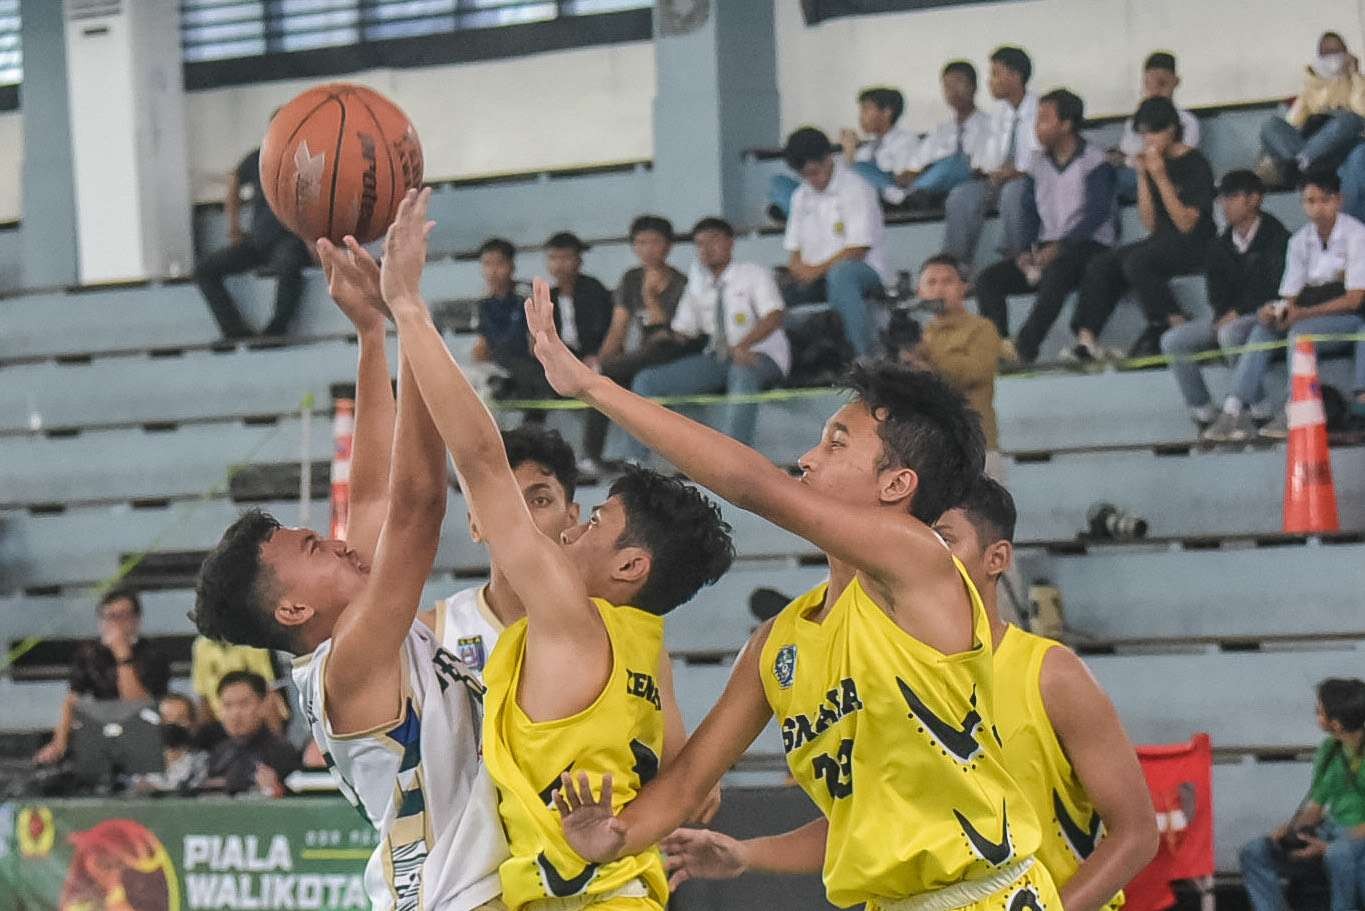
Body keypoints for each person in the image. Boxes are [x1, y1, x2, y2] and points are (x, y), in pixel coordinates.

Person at [527, 300, 1062, 910]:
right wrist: (615, 834)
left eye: (836, 443)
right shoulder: (778, 642)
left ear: (896, 485)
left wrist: (594, 386)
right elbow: (690, 780)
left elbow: (758, 487)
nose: (807, 458)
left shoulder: (921, 565)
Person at [379, 199, 735, 908]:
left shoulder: (572, 618)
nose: (572, 531)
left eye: (597, 520)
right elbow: (697, 786)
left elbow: (481, 463)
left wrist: (408, 308)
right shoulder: (645, 642)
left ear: (631, 566)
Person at [193, 206, 508, 910]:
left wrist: (372, 333)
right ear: (295, 607)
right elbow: (418, 505)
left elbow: (369, 499)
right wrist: (408, 311)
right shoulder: (352, 661)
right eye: (313, 548)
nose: (336, 541)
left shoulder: (344, 636)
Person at [661, 477, 1158, 911]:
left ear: (997, 558)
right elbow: (872, 825)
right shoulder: (882, 670)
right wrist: (748, 854)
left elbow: (1136, 833)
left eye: (943, 541)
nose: (921, 553)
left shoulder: (1051, 674)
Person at [1204, 170, 1365, 442]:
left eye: (1322, 201)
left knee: (1299, 334)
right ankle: (1233, 410)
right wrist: (1278, 312)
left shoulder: (1357, 235)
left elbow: (1354, 300)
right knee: (1261, 330)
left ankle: (1294, 407)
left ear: (1337, 200)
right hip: (1307, 312)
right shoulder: (1300, 240)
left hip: (1346, 318)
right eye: (1309, 202)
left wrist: (1302, 314)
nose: (1315, 209)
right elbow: (1290, 294)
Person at [626, 217, 789, 462]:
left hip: (762, 355)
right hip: (718, 358)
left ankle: (734, 462)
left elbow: (774, 315)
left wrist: (742, 346)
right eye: (700, 244)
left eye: (714, 241)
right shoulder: (697, 285)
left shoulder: (753, 273)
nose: (706, 249)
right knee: (646, 381)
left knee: (741, 372)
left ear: (730, 243)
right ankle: (637, 462)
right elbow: (683, 332)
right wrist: (654, 311)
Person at [975, 88, 1117, 365]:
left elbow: (1096, 214)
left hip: (1088, 245)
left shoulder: (1094, 161)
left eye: (1044, 120)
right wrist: (1027, 250)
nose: (1036, 127)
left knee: (1058, 271)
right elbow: (1029, 212)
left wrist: (1060, 246)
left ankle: (1026, 347)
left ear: (1066, 124)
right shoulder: (1037, 164)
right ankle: (998, 347)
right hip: (1048, 245)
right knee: (988, 280)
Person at [1068, 97, 1216, 361]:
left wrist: (1160, 176)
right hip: (1162, 239)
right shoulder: (1152, 162)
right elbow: (1149, 223)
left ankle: (1176, 321)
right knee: (1102, 264)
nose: (1148, 140)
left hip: (1196, 242)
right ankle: (1087, 338)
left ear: (1171, 129)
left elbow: (1186, 223)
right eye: (1144, 134)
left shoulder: (1195, 164)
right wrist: (1143, 177)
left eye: (1153, 132)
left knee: (1138, 262)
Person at [1160, 170, 1291, 434]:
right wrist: (1222, 314)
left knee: (1231, 333)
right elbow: (1215, 290)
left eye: (1232, 196)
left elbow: (1271, 286)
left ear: (1255, 199)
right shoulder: (1219, 244)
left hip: (1266, 313)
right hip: (1228, 313)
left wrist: (1236, 312)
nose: (1224, 204)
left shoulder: (1278, 237)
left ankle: (1259, 411)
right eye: (1222, 198)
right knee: (1173, 341)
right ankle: (1204, 413)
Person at [1239, 677, 1365, 911]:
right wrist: (1294, 830)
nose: (1316, 716)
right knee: (1255, 852)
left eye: (1319, 712)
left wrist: (1330, 847)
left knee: (1339, 855)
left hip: (1356, 839)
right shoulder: (1329, 750)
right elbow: (1316, 806)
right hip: (1331, 832)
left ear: (1336, 723)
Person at [584, 216, 691, 475]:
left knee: (659, 345)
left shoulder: (681, 282)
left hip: (676, 349)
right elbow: (618, 326)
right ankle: (590, 456)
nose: (647, 249)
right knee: (602, 379)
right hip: (644, 354)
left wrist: (651, 297)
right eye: (641, 243)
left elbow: (668, 330)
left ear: (668, 246)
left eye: (654, 242)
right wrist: (601, 360)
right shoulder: (631, 278)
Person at [778, 127, 890, 357]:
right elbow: (794, 250)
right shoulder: (800, 196)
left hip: (863, 271)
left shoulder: (856, 188)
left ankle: (862, 357)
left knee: (842, 276)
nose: (812, 180)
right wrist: (797, 271)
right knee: (769, 291)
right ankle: (792, 364)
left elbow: (857, 249)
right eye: (805, 175)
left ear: (828, 158)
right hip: (815, 276)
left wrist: (815, 271)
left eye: (815, 172)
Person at [34, 589, 171, 766]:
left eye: (122, 616)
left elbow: (138, 706)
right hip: (100, 727)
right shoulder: (89, 654)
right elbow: (72, 701)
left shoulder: (154, 655)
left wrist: (123, 656)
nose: (115, 624)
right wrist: (59, 743)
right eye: (109, 617)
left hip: (142, 730)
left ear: (136, 619)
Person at [194, 145, 311, 340]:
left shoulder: (305, 158)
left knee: (289, 264)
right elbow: (234, 178)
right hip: (259, 241)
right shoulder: (261, 156)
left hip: (289, 238)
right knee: (205, 270)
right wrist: (233, 227)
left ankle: (277, 329)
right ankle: (233, 330)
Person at [943, 46, 1041, 273]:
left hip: (1029, 180)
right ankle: (955, 266)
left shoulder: (1040, 108)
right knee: (961, 195)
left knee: (1013, 191)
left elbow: (1041, 155)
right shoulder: (999, 113)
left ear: (1015, 76)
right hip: (999, 180)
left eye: (996, 74)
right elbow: (986, 158)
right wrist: (992, 171)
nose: (990, 81)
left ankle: (1017, 260)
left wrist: (1017, 171)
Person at [907, 254, 1002, 461]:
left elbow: (975, 372)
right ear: (919, 292)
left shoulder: (982, 328)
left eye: (948, 281)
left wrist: (928, 361)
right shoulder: (920, 337)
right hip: (932, 448)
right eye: (931, 282)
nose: (939, 289)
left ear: (963, 287)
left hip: (975, 445)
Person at [768, 88, 918, 216]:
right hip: (839, 198)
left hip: (885, 199)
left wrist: (851, 159)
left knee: (859, 167)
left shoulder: (905, 141)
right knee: (778, 182)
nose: (861, 117)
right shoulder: (866, 148)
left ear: (887, 112)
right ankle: (807, 214)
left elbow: (900, 181)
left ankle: (803, 215)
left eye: (866, 109)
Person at [1258, 32, 1365, 187]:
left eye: (1337, 52)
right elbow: (1292, 123)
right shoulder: (1310, 88)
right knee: (1270, 125)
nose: (1332, 57)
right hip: (1313, 141)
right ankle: (1303, 160)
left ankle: (1301, 161)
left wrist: (1354, 74)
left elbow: (1361, 111)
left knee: (1349, 119)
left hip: (1344, 143)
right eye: (1327, 53)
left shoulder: (1357, 82)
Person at [473, 237, 556, 414]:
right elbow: (482, 346)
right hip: (498, 364)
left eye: (499, 263)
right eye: (487, 264)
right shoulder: (483, 302)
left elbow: (537, 344)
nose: (493, 271)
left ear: (512, 266)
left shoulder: (525, 296)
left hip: (529, 364)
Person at [896, 61, 992, 207]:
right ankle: (913, 194)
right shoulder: (940, 131)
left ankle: (910, 196)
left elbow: (983, 169)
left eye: (959, 83)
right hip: (935, 190)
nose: (953, 91)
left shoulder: (991, 126)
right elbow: (915, 165)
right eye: (947, 86)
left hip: (972, 186)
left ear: (974, 86)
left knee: (956, 162)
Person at [1111, 53, 1202, 202]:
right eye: (1148, 84)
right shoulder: (1134, 121)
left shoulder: (1187, 121)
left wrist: (1140, 158)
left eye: (1161, 83)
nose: (1155, 91)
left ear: (1176, 82)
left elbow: (1184, 157)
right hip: (1139, 177)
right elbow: (1128, 154)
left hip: (1172, 177)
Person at [203, 671, 300, 797]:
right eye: (227, 705)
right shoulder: (219, 753)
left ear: (262, 706)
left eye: (244, 704)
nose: (235, 714)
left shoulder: (282, 752)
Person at [190, 635, 287, 735]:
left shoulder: (253, 641)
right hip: (219, 723)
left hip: (255, 721)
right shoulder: (201, 645)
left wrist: (277, 736)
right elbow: (202, 695)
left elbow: (268, 691)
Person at [546, 231, 614, 368]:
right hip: (560, 357)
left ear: (579, 260)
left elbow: (604, 328)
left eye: (566, 258)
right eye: (553, 258)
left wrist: (596, 355)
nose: (559, 264)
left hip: (592, 355)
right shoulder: (549, 296)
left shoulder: (593, 289)